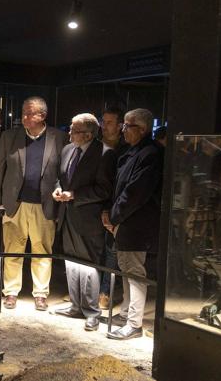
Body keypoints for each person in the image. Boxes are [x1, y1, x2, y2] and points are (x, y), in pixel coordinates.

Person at [0, 96, 67, 311]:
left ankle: (41, 293)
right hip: (15, 204)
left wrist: (61, 194)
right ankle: (11, 292)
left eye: (29, 113)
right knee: (13, 250)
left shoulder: (58, 138)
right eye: (23, 112)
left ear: (42, 116)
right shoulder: (9, 137)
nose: (23, 117)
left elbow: (64, 171)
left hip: (45, 205)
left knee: (42, 251)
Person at [51, 113, 116, 331]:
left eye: (74, 130)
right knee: (71, 261)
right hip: (68, 215)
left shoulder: (105, 154)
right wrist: (59, 189)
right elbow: (61, 176)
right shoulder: (68, 149)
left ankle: (91, 311)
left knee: (89, 265)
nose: (69, 133)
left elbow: (104, 190)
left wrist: (74, 195)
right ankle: (76, 305)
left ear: (88, 135)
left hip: (89, 219)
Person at [105, 108, 163, 340]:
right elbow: (121, 188)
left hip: (136, 224)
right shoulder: (134, 152)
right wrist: (112, 215)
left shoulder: (150, 154)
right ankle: (127, 313)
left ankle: (134, 323)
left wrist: (114, 217)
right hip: (126, 222)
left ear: (142, 129)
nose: (123, 130)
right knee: (127, 269)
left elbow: (135, 193)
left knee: (134, 272)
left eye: (127, 126)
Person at [98, 107, 129, 310]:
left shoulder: (126, 150)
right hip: (95, 204)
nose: (104, 126)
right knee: (96, 249)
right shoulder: (95, 146)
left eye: (109, 122)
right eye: (103, 121)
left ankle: (105, 293)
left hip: (114, 206)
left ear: (120, 126)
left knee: (112, 252)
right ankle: (89, 289)